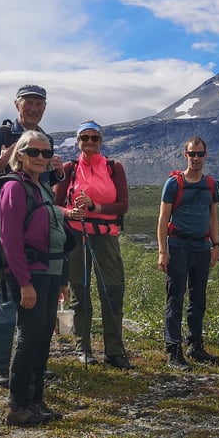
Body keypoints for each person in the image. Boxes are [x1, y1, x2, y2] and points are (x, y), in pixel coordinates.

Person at [0, 84, 65, 388]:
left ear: (45, 107)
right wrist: (5, 159)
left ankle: (29, 363)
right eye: (29, 102)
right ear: (17, 105)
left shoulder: (44, 139)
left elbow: (44, 182)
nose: (34, 108)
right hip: (4, 222)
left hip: (36, 229)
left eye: (39, 103)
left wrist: (57, 173)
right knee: (8, 296)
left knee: (36, 304)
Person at [0, 130, 68, 426]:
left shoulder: (43, 187)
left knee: (42, 338)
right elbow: (10, 241)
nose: (41, 158)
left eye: (46, 153)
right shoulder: (14, 188)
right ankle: (17, 406)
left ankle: (35, 401)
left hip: (50, 273)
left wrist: (62, 279)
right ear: (21, 154)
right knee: (29, 339)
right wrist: (24, 283)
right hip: (31, 275)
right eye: (34, 152)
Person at [54, 120, 131, 369]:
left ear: (101, 140)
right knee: (80, 291)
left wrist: (95, 207)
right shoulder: (70, 168)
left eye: (94, 138)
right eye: (84, 138)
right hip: (77, 236)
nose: (89, 142)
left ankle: (114, 350)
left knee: (112, 290)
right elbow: (55, 204)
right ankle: (83, 348)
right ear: (78, 141)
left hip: (106, 235)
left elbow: (123, 205)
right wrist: (69, 213)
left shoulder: (113, 167)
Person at [157, 136, 219, 370]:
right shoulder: (173, 184)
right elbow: (163, 218)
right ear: (185, 155)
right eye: (192, 154)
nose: (196, 158)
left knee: (198, 298)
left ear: (206, 155)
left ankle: (195, 345)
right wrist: (162, 251)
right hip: (178, 246)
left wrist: (216, 245)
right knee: (175, 298)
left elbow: (213, 216)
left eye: (200, 154)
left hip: (201, 247)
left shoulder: (211, 185)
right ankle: (173, 350)